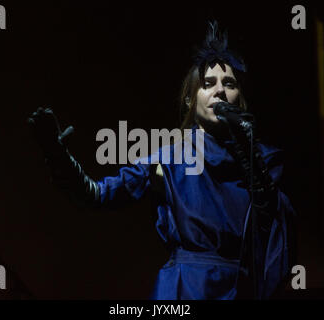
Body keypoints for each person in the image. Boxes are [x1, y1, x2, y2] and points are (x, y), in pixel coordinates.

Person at [28, 21, 296, 300]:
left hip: (241, 290)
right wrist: (58, 158)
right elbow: (98, 194)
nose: (220, 91)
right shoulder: (168, 159)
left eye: (229, 83)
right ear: (191, 99)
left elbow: (277, 232)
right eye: (208, 83)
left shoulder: (263, 159)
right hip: (186, 289)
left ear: (240, 99)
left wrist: (250, 155)